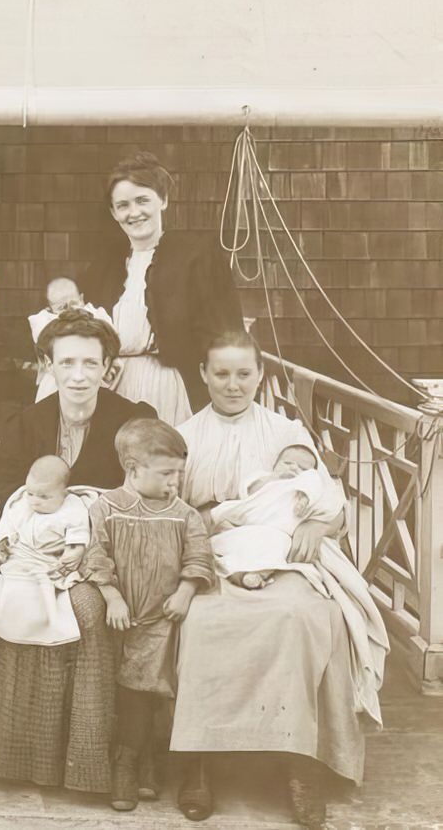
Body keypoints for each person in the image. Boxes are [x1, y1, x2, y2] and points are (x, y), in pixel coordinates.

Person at [171, 331, 380, 828]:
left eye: (244, 373)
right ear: (202, 374)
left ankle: (299, 762)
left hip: (285, 552)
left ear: (260, 374)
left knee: (304, 616)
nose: (232, 385)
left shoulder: (287, 433)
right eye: (220, 373)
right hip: (215, 553)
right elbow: (172, 509)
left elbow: (330, 504)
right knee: (202, 621)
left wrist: (314, 524)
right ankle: (199, 763)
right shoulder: (185, 435)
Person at [0, 308, 154, 796]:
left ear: (108, 366)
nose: (78, 376)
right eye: (66, 363)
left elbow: (146, 496)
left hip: (105, 556)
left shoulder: (132, 419)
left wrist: (87, 529)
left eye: (91, 363)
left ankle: (101, 756)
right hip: (31, 550)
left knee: (88, 608)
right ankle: (14, 752)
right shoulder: (30, 421)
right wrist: (11, 537)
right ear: (47, 365)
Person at [80, 418, 214, 812]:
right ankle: (128, 762)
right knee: (131, 690)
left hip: (164, 618)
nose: (175, 481)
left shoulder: (185, 515)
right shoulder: (105, 508)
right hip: (122, 615)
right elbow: (94, 553)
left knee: (154, 689)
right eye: (166, 473)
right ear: (133, 469)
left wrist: (187, 589)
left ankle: (145, 760)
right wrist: (111, 595)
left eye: (179, 473)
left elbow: (200, 555)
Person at [81, 151, 243, 424]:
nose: (134, 212)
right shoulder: (105, 265)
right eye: (123, 205)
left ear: (163, 201)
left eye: (142, 200)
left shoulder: (197, 256)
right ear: (113, 212)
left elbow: (223, 333)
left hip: (172, 386)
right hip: (113, 388)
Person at [0, 455, 90, 647]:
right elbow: (7, 532)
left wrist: (75, 552)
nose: (35, 501)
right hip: (18, 556)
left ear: (64, 492)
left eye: (44, 496)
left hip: (49, 561)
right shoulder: (21, 502)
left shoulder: (72, 507)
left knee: (34, 594)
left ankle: (33, 624)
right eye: (31, 493)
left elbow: (78, 535)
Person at [210, 444, 342, 589]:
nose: (293, 468)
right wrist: (273, 479)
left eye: (303, 468)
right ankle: (230, 568)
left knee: (277, 546)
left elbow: (324, 498)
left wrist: (305, 498)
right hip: (251, 524)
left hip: (278, 532)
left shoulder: (308, 484)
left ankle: (257, 574)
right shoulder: (263, 478)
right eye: (287, 463)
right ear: (274, 466)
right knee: (232, 543)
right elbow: (248, 490)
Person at [28, 277, 113, 403]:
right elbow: (45, 336)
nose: (70, 310)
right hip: (56, 380)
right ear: (49, 309)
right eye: (62, 307)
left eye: (73, 303)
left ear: (82, 299)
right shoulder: (42, 320)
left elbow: (108, 333)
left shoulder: (97, 314)